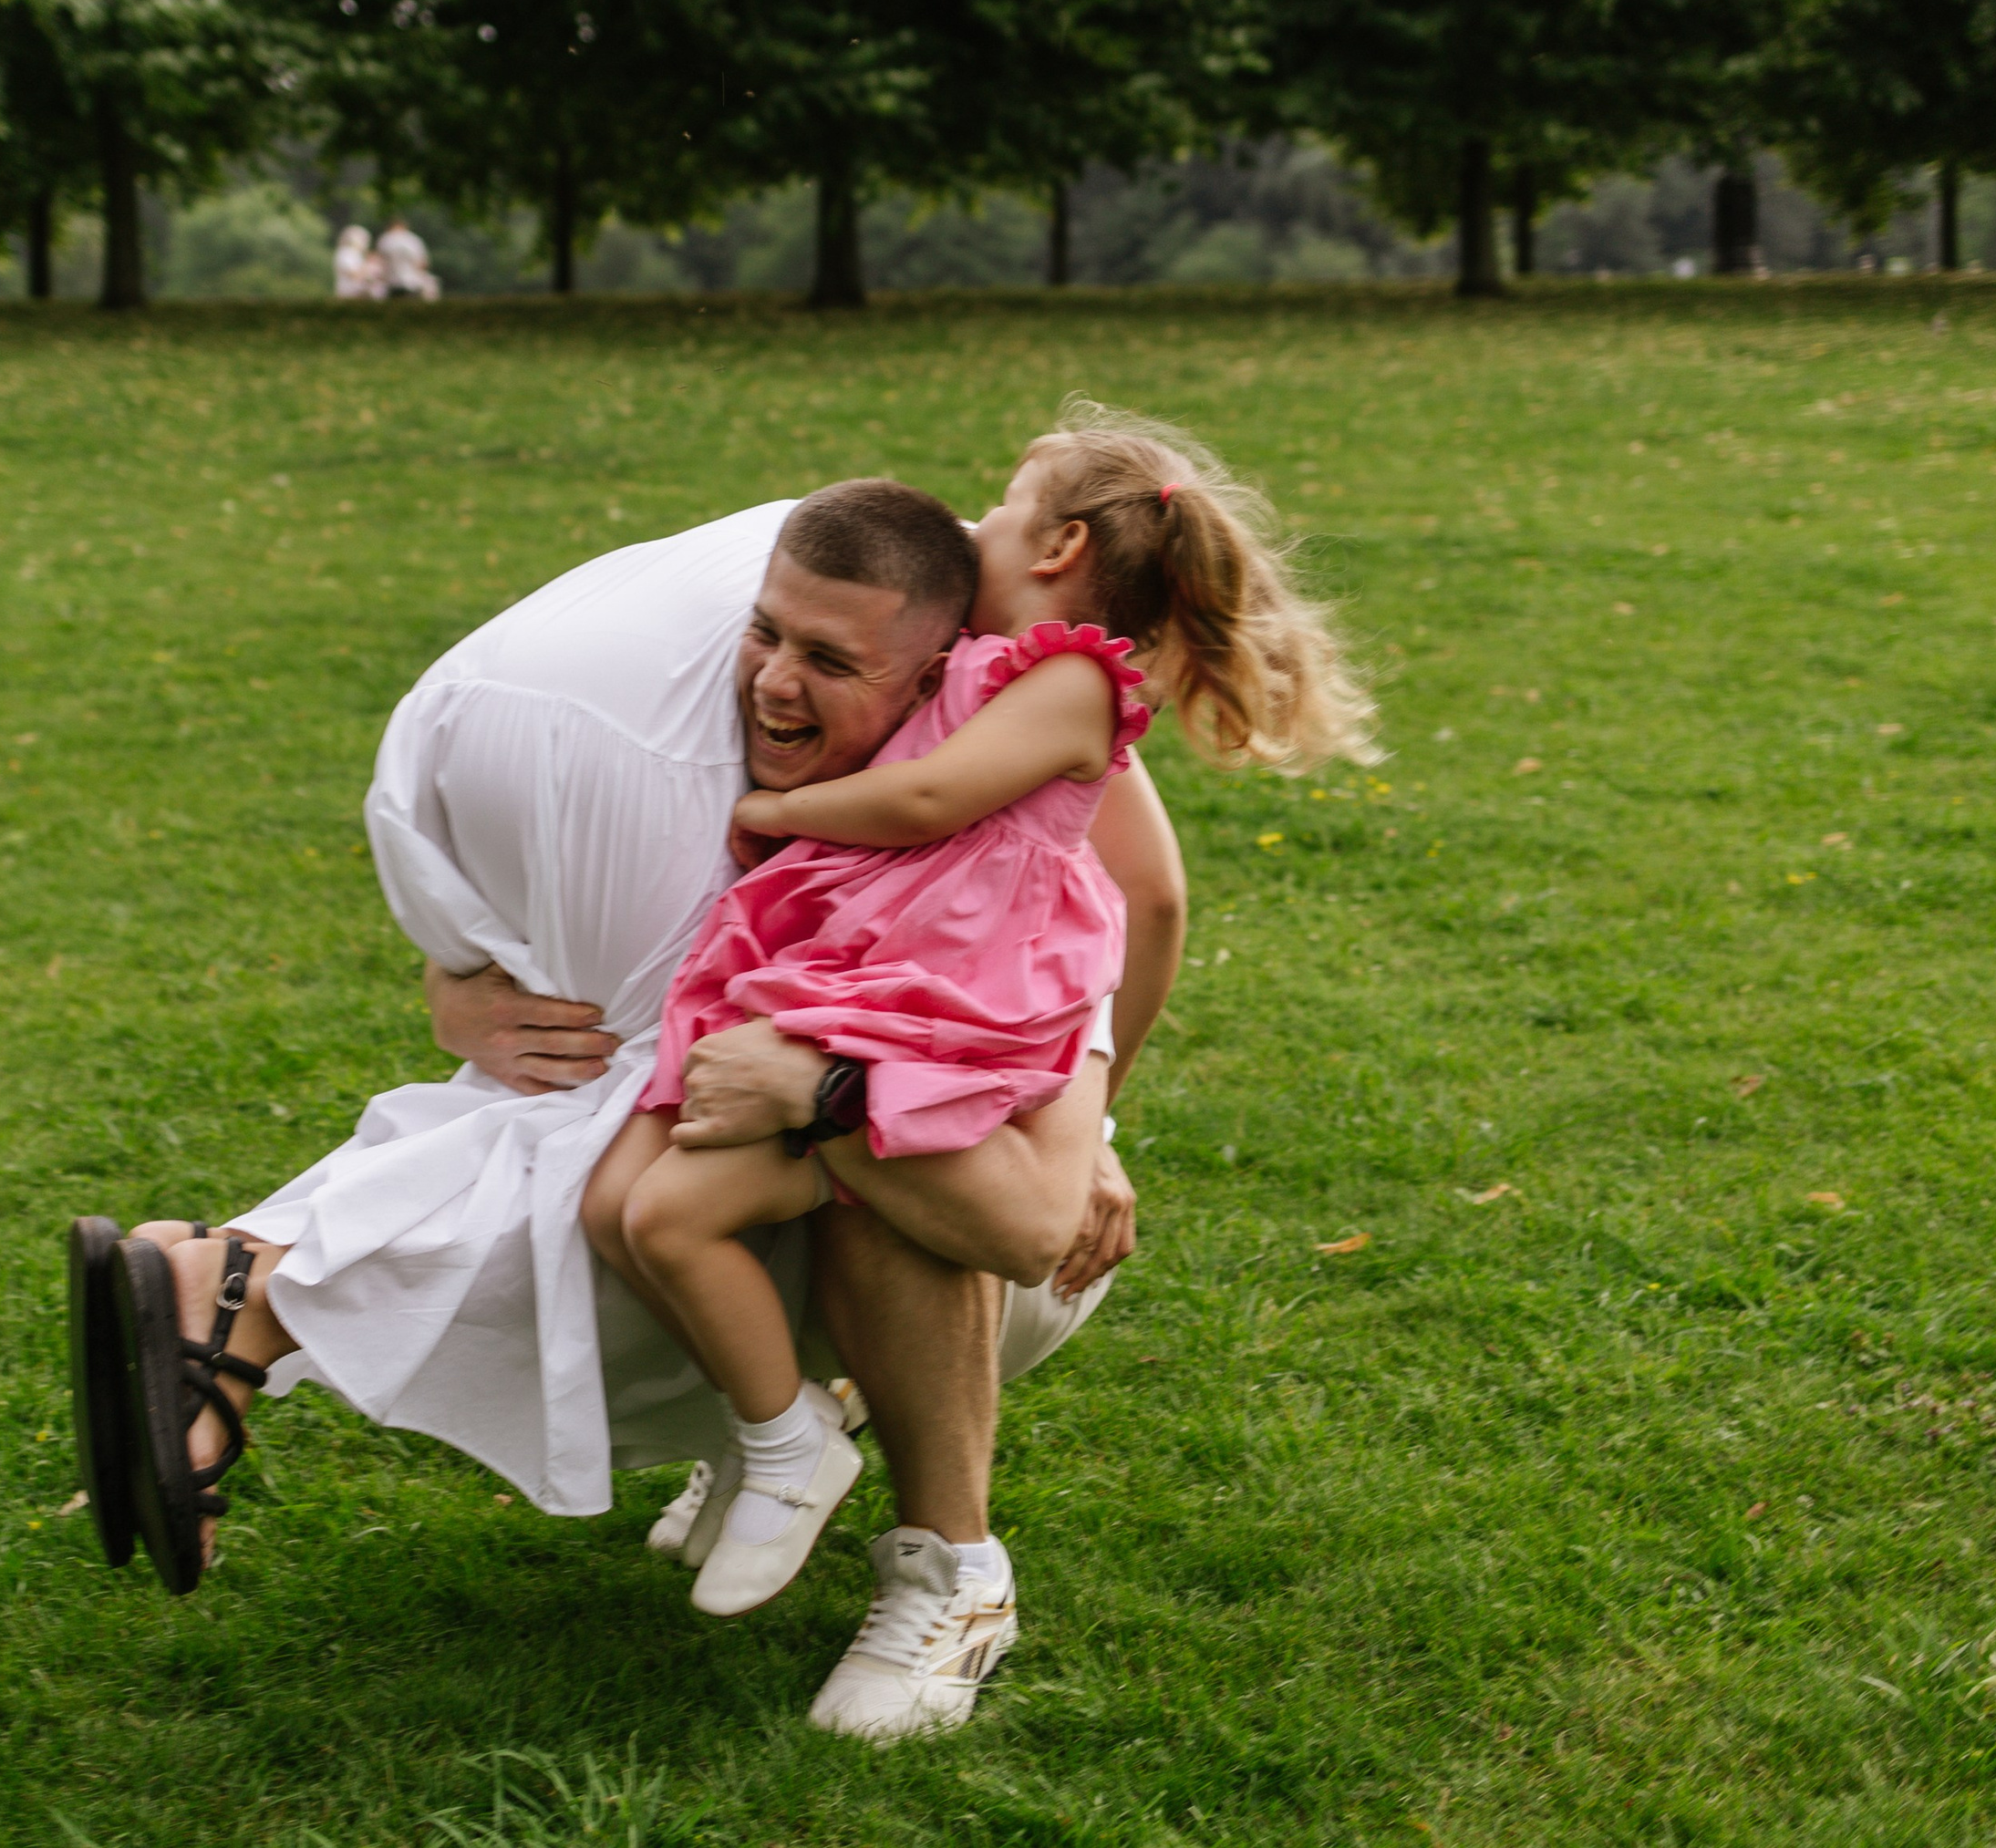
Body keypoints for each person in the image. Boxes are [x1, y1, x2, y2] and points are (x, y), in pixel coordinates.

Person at [72, 477, 1183, 1738]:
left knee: (845, 1169)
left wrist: (1053, 1123)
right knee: (623, 1171)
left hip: (996, 1184)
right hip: (857, 1071)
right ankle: (254, 1285)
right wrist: (468, 968)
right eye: (767, 636)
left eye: (830, 659)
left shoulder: (1023, 744)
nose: (769, 680)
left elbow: (1049, 1165)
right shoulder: (885, 616)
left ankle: (956, 1573)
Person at [585, 408, 1374, 1622]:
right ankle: (778, 1433)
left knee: (946, 1212)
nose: (974, 526)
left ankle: (942, 1570)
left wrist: (1092, 1120)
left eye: (999, 510)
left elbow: (1047, 848)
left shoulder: (1065, 681)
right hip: (884, 965)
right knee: (647, 1207)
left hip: (966, 985)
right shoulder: (970, 656)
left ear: (1056, 546)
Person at [377, 216, 439, 301]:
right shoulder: (414, 240)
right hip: (412, 282)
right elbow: (422, 264)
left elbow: (380, 262)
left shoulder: (384, 239)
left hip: (390, 282)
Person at [333, 222, 383, 301]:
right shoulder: (346, 252)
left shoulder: (356, 254)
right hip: (348, 292)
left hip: (355, 292)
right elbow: (353, 274)